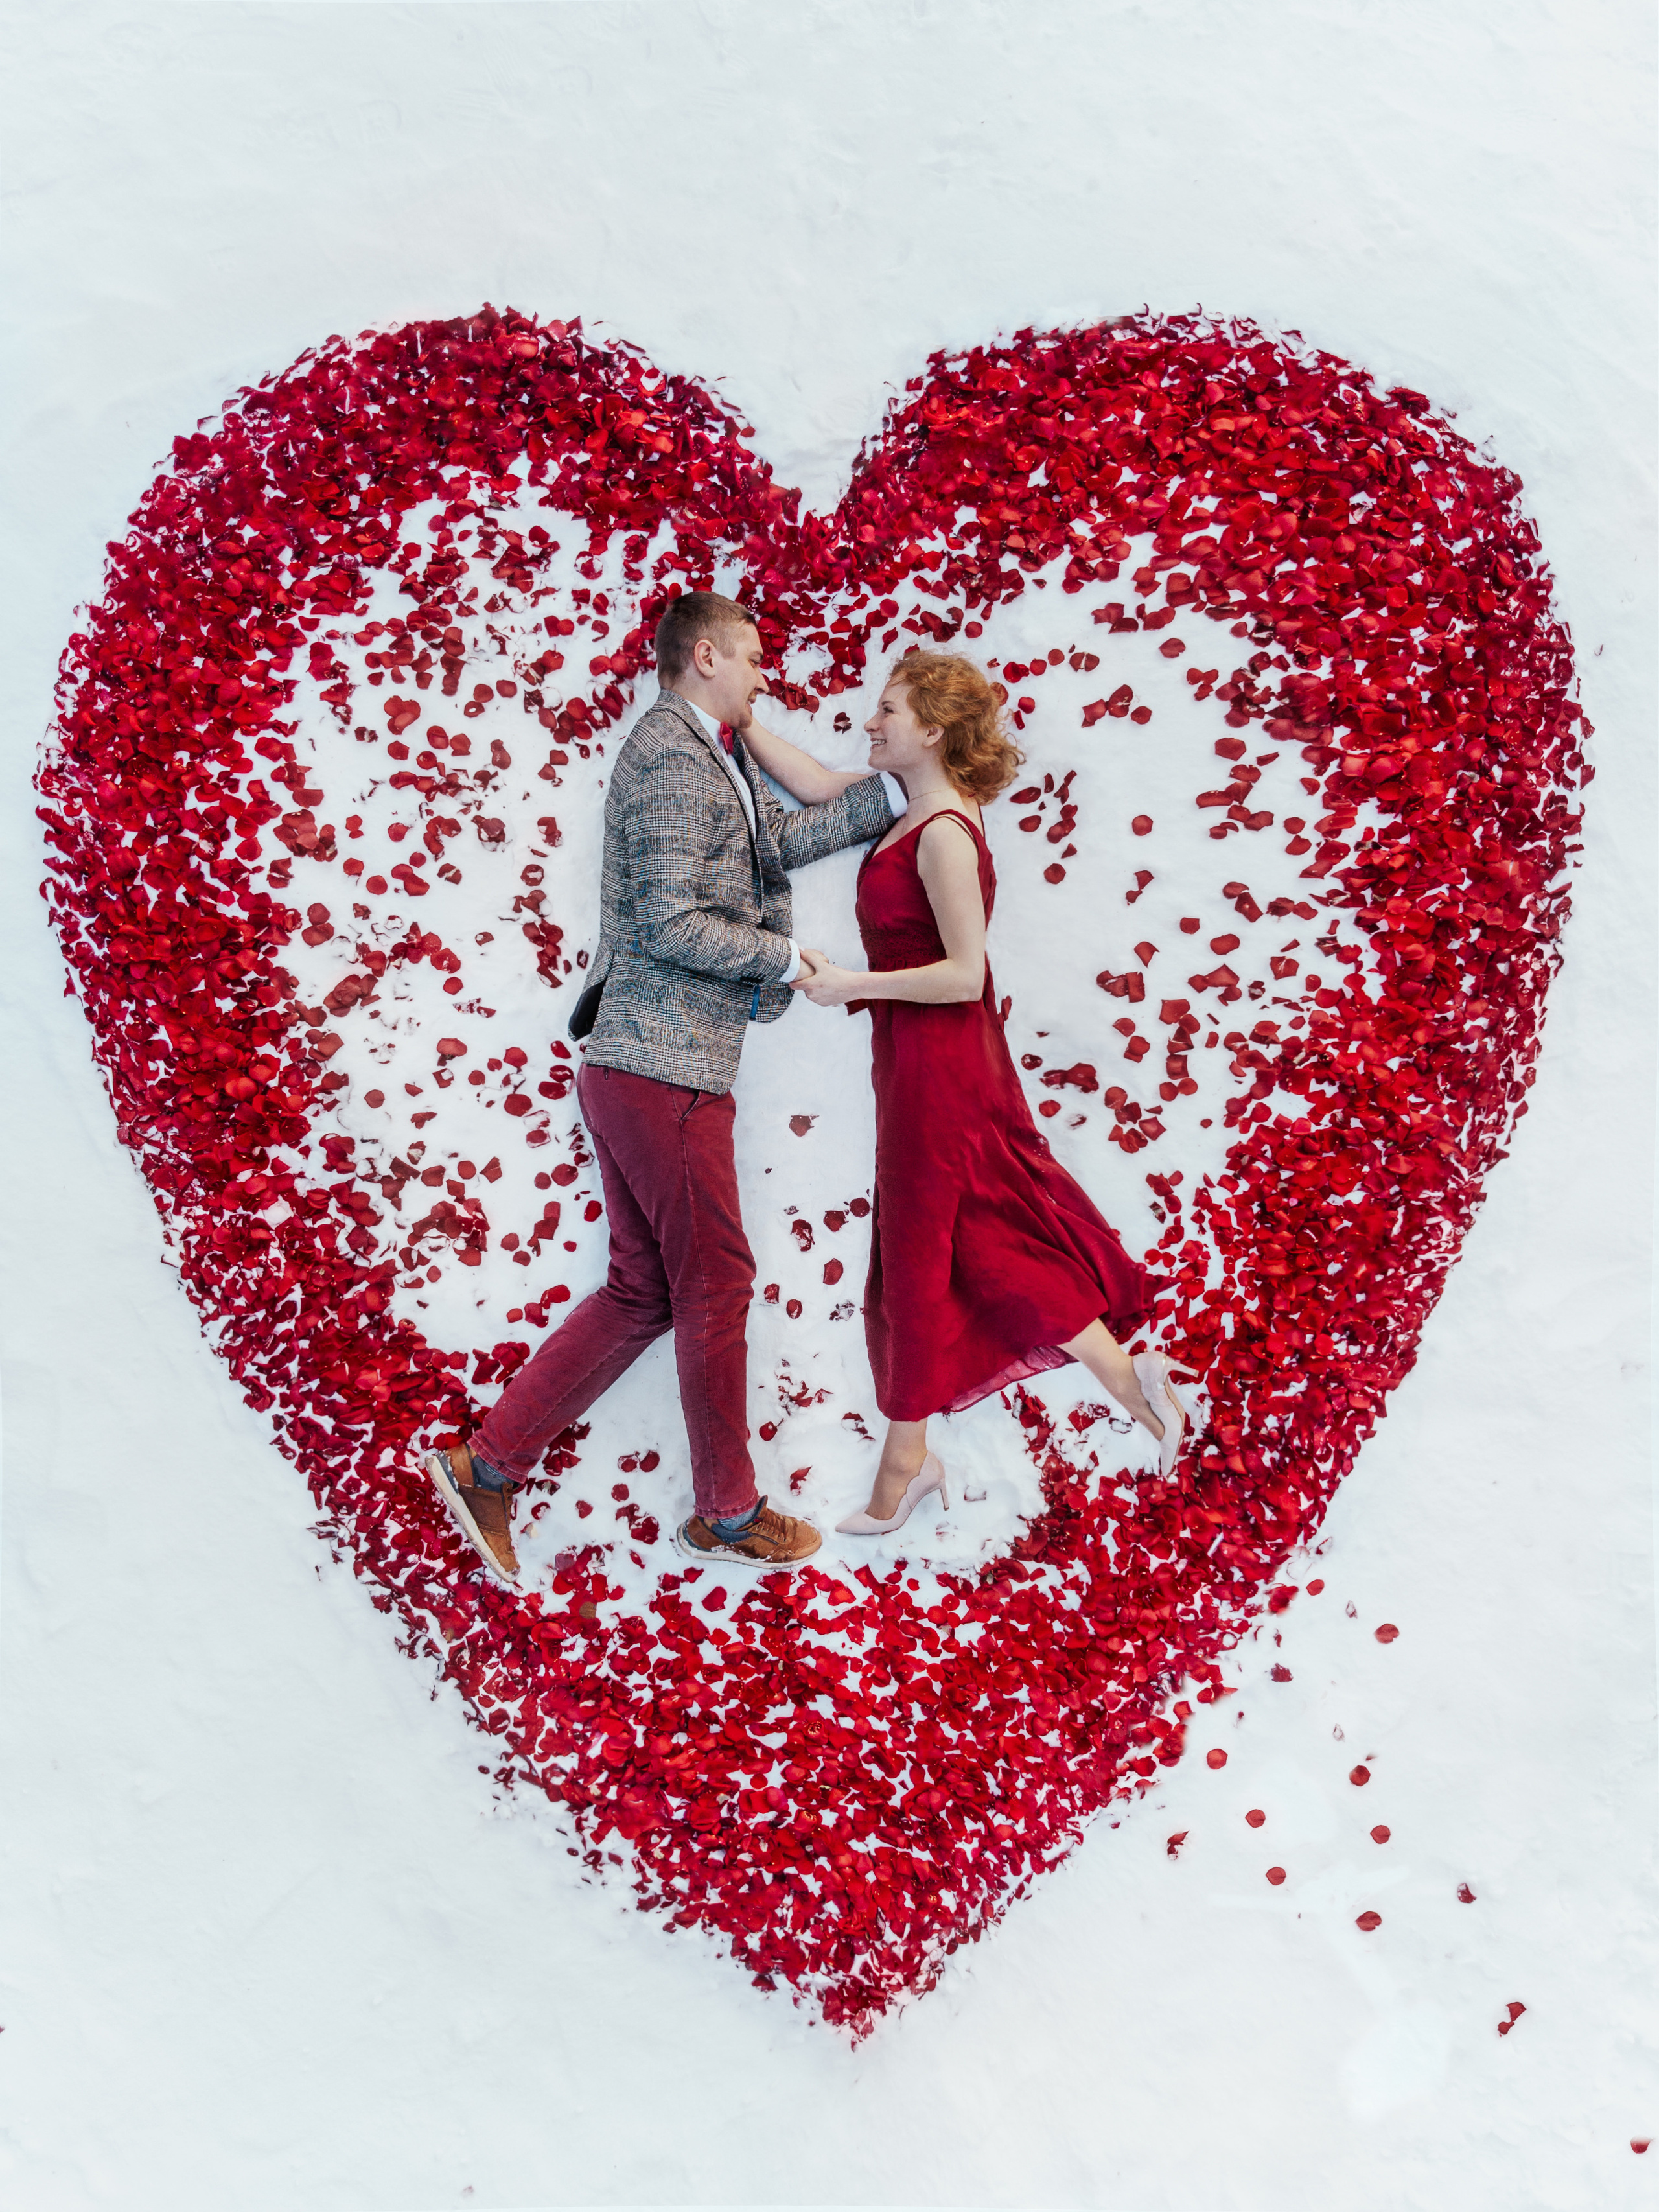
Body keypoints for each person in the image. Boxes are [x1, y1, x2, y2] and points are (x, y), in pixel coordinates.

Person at [424, 592, 901, 1584]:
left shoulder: (701, 752)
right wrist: (787, 958)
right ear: (708, 653)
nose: (768, 675)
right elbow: (677, 925)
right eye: (757, 657)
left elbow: (778, 843)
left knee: (647, 1290)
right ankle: (728, 1514)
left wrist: (901, 792)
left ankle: (486, 1466)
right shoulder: (676, 760)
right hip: (664, 1070)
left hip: (644, 1068)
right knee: (716, 1283)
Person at [738, 650, 1198, 1535]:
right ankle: (1108, 1386)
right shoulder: (915, 812)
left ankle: (909, 1465)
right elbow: (812, 781)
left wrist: (850, 983)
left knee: (929, 1251)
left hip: (943, 1064)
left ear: (934, 730)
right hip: (923, 1065)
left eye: (887, 711)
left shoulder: (945, 832)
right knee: (961, 1246)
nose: (870, 722)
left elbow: (961, 975)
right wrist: (743, 718)